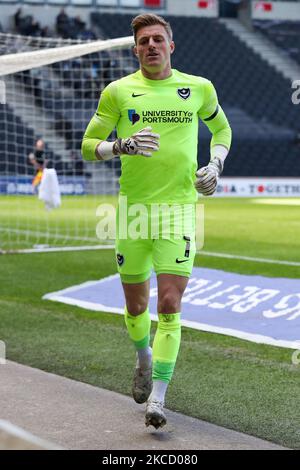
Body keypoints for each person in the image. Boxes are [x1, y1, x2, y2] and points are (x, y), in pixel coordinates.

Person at [82, 14, 232, 429]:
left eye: (158, 39)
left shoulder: (198, 89)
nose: (151, 45)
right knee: (136, 305)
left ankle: (158, 401)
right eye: (143, 40)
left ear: (171, 46)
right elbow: (87, 145)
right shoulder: (118, 92)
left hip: (179, 210)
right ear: (135, 50)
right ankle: (143, 355)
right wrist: (119, 145)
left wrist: (215, 164)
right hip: (132, 211)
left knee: (169, 304)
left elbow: (222, 130)